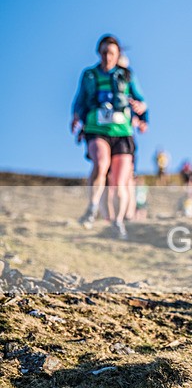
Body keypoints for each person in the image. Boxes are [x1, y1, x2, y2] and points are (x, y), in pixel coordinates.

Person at [71, 34, 148, 240]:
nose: (107, 57)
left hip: (122, 132)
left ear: (118, 54)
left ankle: (118, 221)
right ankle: (92, 207)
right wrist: (76, 117)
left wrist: (141, 111)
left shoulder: (127, 75)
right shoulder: (89, 75)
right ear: (99, 52)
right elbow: (79, 100)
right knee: (101, 163)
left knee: (119, 181)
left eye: (111, 53)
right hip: (96, 128)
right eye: (104, 52)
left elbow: (141, 100)